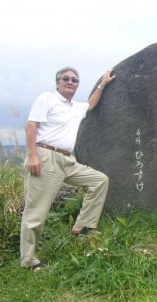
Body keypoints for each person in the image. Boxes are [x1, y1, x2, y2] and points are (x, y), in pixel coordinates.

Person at [20, 66, 115, 271]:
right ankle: (28, 260)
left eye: (75, 80)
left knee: (99, 180)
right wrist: (33, 156)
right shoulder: (47, 98)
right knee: (36, 212)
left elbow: (90, 105)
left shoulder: (75, 107)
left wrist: (102, 84)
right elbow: (31, 126)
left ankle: (82, 226)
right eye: (66, 79)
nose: (71, 82)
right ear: (58, 82)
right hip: (46, 156)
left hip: (67, 160)